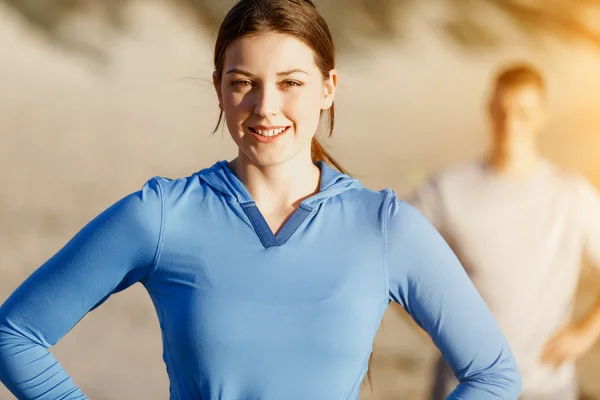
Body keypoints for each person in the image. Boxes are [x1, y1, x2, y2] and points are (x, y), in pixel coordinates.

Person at [0, 1, 521, 399]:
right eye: (243, 83)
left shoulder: (383, 227)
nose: (265, 107)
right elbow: (15, 334)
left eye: (291, 82)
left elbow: (494, 374)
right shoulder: (160, 216)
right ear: (219, 88)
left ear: (328, 87)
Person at [413, 63, 600, 400]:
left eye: (523, 113)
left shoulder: (572, 195)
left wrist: (585, 334)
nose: (511, 123)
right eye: (502, 111)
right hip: (465, 386)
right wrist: (430, 329)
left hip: (549, 387)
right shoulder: (448, 189)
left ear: (542, 115)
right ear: (489, 109)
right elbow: (387, 256)